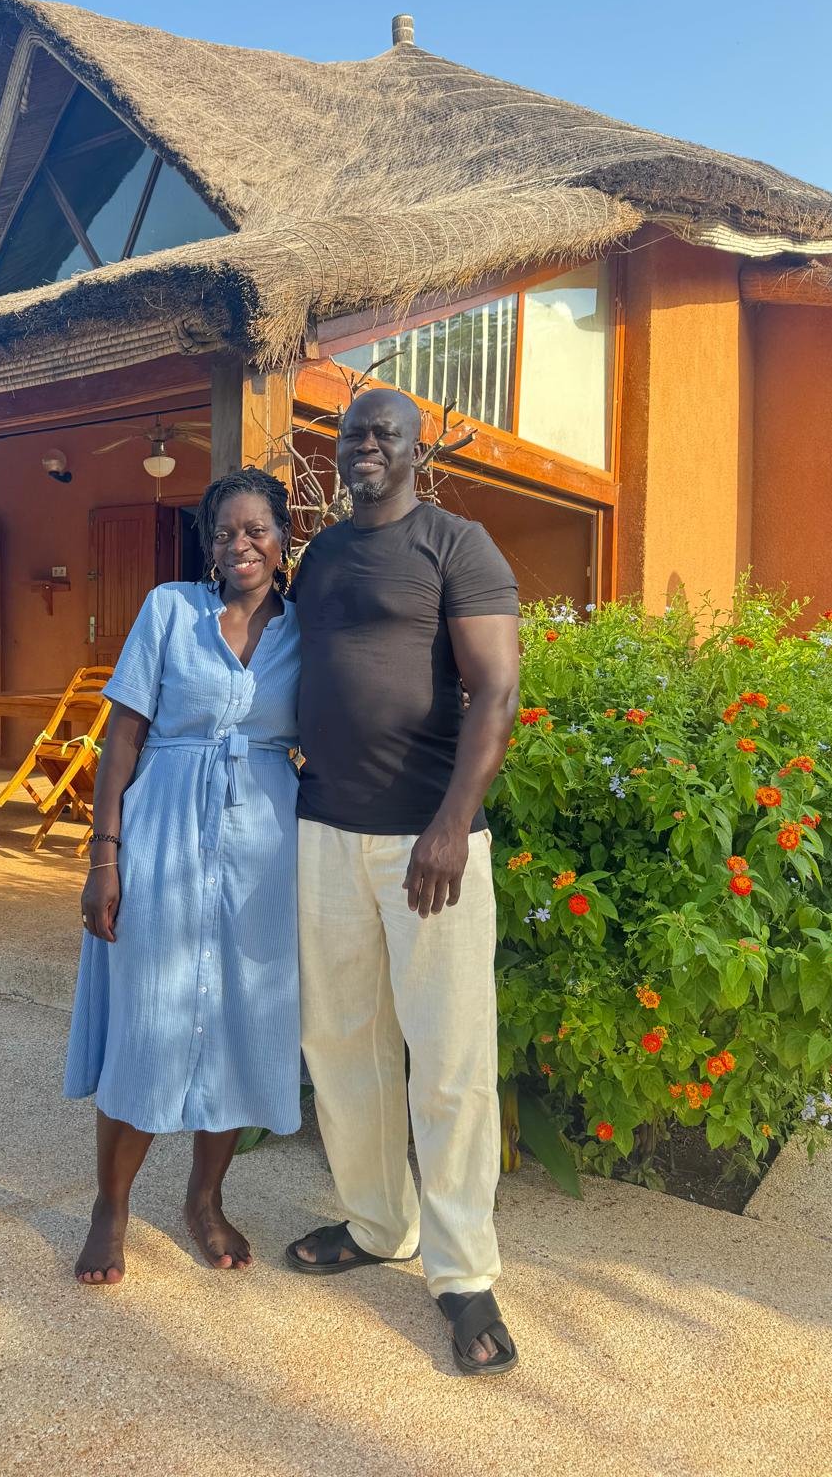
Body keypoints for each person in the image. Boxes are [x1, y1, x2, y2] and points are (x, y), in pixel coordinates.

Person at [285, 387, 521, 1377]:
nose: (366, 445)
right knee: (342, 1043)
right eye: (353, 433)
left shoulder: (458, 545)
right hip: (324, 833)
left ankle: (464, 1273)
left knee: (451, 1053)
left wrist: (453, 825)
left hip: (430, 844)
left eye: (385, 433)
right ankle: (381, 1225)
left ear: (418, 450)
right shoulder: (323, 555)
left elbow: (496, 686)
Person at [65, 467, 301, 1284]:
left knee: (241, 1026)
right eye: (225, 532)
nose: (241, 544)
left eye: (256, 530)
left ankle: (206, 1201)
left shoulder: (306, 633)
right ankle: (111, 1207)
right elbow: (121, 737)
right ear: (211, 545)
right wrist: (105, 856)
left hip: (263, 853)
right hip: (161, 834)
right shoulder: (170, 610)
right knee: (147, 1019)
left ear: (281, 537)